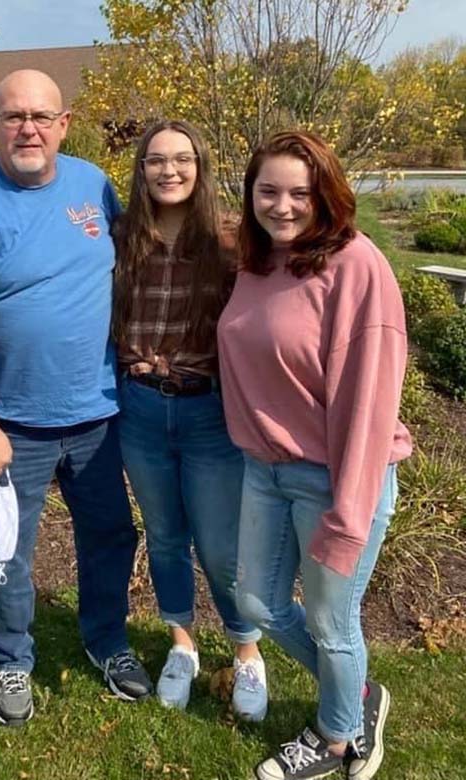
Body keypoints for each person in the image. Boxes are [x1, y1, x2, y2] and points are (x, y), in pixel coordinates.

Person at [0, 69, 152, 727]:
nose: (28, 127)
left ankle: (107, 642)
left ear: (64, 123)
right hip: (11, 425)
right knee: (6, 553)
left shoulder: (92, 186)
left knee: (110, 534)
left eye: (41, 116)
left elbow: (134, 261)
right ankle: (11, 661)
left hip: (98, 415)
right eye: (14, 115)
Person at [217, 130, 412, 780]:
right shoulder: (257, 260)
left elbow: (369, 403)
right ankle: (356, 695)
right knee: (257, 604)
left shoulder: (356, 265)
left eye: (300, 192)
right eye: (267, 190)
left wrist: (350, 513)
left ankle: (334, 740)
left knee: (332, 623)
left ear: (325, 193)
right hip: (264, 472)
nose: (283, 205)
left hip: (336, 477)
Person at [112, 120, 267, 716]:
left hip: (208, 411)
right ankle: (182, 643)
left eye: (181, 159)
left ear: (199, 167)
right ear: (141, 169)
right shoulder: (122, 236)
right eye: (155, 160)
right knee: (167, 537)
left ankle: (247, 652)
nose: (168, 171)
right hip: (141, 410)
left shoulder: (230, 242)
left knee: (221, 547)